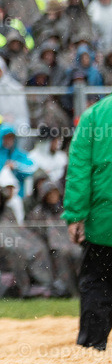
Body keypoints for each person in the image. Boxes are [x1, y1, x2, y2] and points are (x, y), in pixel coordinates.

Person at [63, 95, 112, 349]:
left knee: (97, 284)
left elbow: (79, 170)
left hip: (103, 224)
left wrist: (75, 215)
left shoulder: (94, 116)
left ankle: (93, 349)